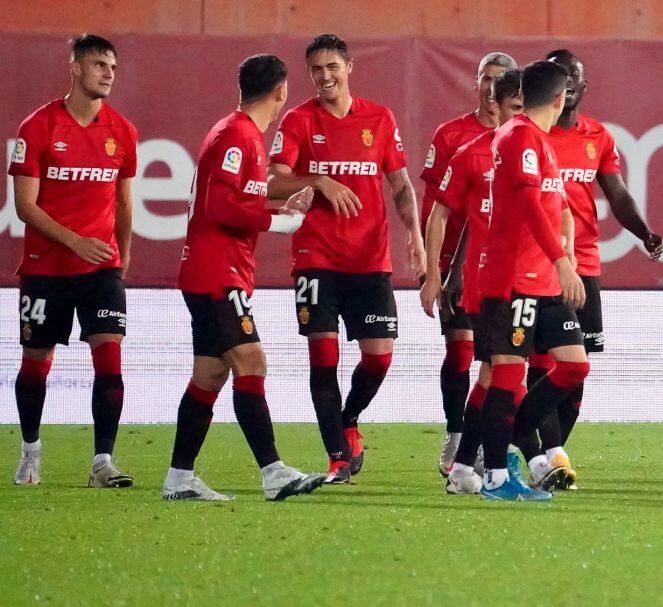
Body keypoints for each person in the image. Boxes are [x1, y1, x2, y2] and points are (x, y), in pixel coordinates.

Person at [163, 53, 325, 501]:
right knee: (252, 362)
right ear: (281, 91)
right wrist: (281, 223)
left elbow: (234, 202)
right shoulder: (238, 136)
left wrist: (276, 211)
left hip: (214, 270)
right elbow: (220, 207)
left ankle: (178, 478)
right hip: (217, 274)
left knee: (210, 375)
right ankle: (273, 473)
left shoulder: (236, 133)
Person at [268, 34, 424, 484]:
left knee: (379, 358)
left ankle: (348, 420)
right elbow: (272, 179)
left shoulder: (379, 118)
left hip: (371, 259)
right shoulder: (299, 121)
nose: (324, 76)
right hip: (317, 258)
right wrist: (318, 180)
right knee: (324, 358)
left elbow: (399, 184)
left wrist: (414, 236)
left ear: (349, 67)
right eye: (316, 69)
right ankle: (337, 456)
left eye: (332, 66)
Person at [520, 49, 663, 488]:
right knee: (545, 361)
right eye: (559, 76)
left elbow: (617, 194)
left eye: (573, 77)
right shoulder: (532, 135)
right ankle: (549, 455)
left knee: (578, 368)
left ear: (582, 87)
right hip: (539, 264)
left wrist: (644, 232)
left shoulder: (597, 136)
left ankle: (548, 450)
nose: (566, 84)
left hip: (584, 264)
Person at [9, 34, 137, 488]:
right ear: (75, 68)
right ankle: (30, 451)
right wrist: (74, 241)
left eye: (113, 67)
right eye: (99, 64)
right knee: (36, 360)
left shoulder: (122, 131)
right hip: (47, 268)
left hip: (101, 268)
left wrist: (123, 250)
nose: (107, 73)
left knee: (110, 358)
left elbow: (123, 201)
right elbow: (25, 206)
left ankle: (103, 462)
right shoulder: (38, 127)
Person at [474, 60, 590, 501]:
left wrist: (565, 259)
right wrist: (562, 261)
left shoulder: (540, 141)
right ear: (560, 99)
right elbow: (527, 204)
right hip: (513, 275)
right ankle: (497, 478)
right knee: (506, 374)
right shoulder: (520, 135)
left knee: (575, 364)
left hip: (542, 278)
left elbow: (557, 208)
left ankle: (517, 434)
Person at [420, 69, 525, 494]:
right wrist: (434, 275)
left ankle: (468, 463)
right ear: (494, 105)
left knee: (493, 373)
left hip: (525, 278)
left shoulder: (532, 151)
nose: (522, 114)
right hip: (491, 281)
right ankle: (500, 464)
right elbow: (441, 213)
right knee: (502, 372)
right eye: (515, 107)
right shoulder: (467, 151)